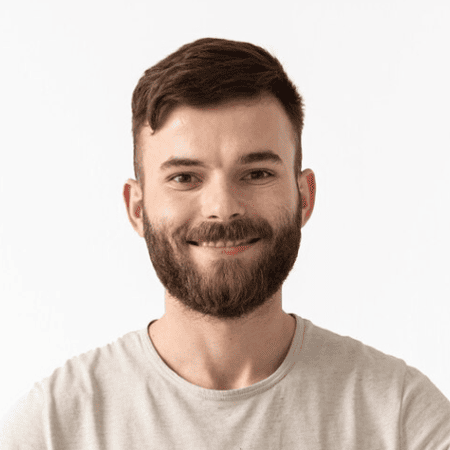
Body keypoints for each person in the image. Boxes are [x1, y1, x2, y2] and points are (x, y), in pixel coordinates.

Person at [1, 37, 449, 449]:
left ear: (305, 197)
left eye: (256, 173)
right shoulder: (53, 428)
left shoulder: (403, 420)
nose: (223, 208)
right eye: (184, 178)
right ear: (137, 208)